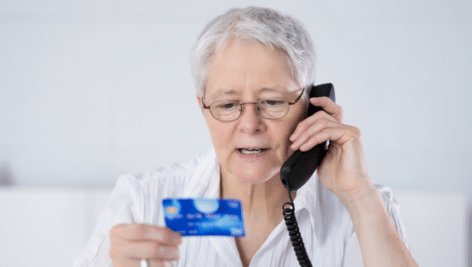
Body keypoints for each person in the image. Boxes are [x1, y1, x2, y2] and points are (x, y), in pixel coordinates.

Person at [73, 6, 418, 267]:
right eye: (227, 104)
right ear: (203, 108)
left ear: (313, 106)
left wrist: (359, 198)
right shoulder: (142, 202)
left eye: (272, 102)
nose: (249, 124)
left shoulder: (365, 207)